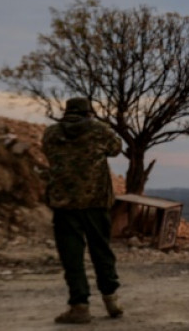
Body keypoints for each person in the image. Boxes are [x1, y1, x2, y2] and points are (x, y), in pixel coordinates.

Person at [42, 97, 124, 324]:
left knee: (72, 256)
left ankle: (79, 306)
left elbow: (49, 155)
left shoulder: (51, 133)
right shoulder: (100, 130)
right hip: (95, 202)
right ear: (89, 112)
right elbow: (116, 149)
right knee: (101, 251)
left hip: (64, 203)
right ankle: (111, 300)